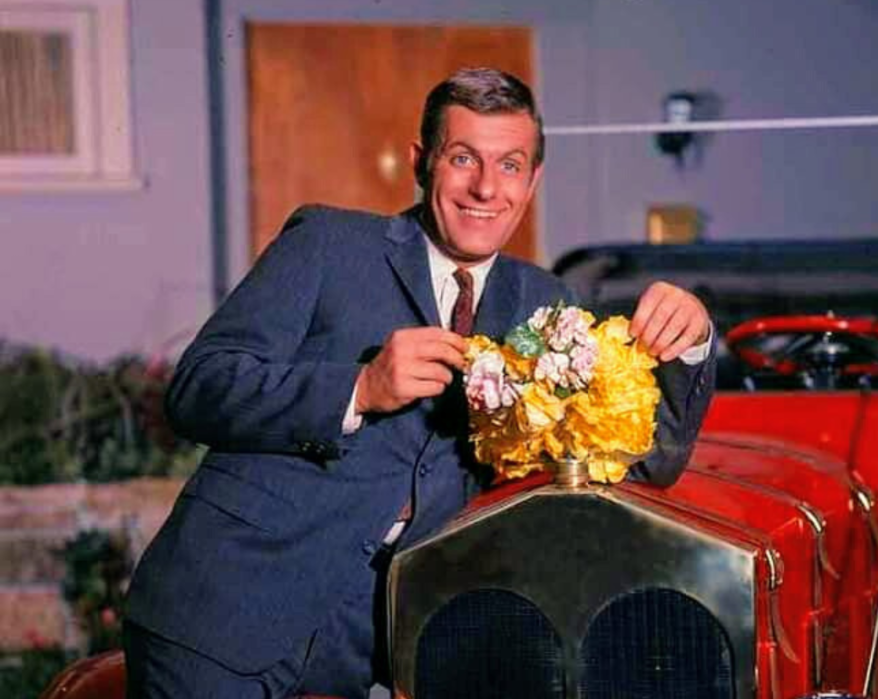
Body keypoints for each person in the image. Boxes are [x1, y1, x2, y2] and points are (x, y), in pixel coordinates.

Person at [123, 67, 716, 699]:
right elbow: (197, 389)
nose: (486, 187)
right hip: (220, 613)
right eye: (463, 158)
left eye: (510, 165)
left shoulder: (547, 305)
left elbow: (640, 462)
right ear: (421, 162)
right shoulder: (327, 243)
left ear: (533, 180)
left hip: (366, 649)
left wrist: (695, 338)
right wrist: (358, 389)